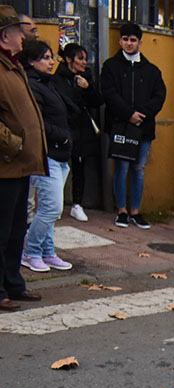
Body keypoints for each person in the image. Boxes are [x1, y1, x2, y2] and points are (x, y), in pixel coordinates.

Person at [0, 5, 46, 313]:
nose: (24, 35)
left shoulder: (13, 66)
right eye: (19, 30)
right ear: (5, 36)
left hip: (21, 166)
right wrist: (16, 145)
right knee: (1, 232)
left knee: (17, 231)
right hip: (6, 165)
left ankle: (13, 284)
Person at [100, 22, 166, 230]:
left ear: (140, 42)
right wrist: (128, 114)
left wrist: (142, 115)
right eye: (126, 39)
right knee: (121, 167)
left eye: (133, 40)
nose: (129, 43)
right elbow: (109, 93)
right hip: (121, 127)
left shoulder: (152, 70)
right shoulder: (110, 66)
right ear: (120, 41)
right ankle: (122, 211)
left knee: (138, 169)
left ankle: (136, 212)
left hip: (143, 128)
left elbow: (159, 96)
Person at [20, 38, 73, 273]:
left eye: (52, 57)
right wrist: (60, 136)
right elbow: (36, 122)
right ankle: (30, 252)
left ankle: (47, 251)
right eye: (45, 58)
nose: (51, 62)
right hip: (47, 154)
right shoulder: (32, 85)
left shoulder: (48, 83)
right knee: (51, 208)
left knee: (49, 209)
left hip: (60, 155)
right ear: (31, 61)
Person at [55, 43, 100, 222]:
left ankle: (77, 204)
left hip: (81, 128)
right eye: (80, 58)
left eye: (85, 58)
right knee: (59, 166)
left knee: (79, 165)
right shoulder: (58, 78)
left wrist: (87, 88)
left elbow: (97, 101)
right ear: (68, 60)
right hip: (64, 127)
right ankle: (55, 204)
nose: (84, 62)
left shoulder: (85, 77)